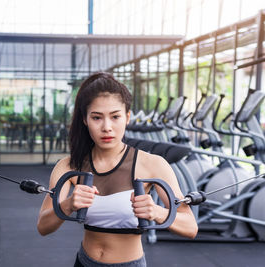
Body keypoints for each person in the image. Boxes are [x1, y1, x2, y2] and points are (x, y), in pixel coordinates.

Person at [37, 72, 198, 267]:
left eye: (115, 117)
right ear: (85, 119)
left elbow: (190, 227)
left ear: (127, 117)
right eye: (97, 118)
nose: (107, 127)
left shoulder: (152, 164)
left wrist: (157, 212)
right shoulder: (68, 166)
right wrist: (68, 205)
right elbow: (43, 226)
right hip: (84, 262)